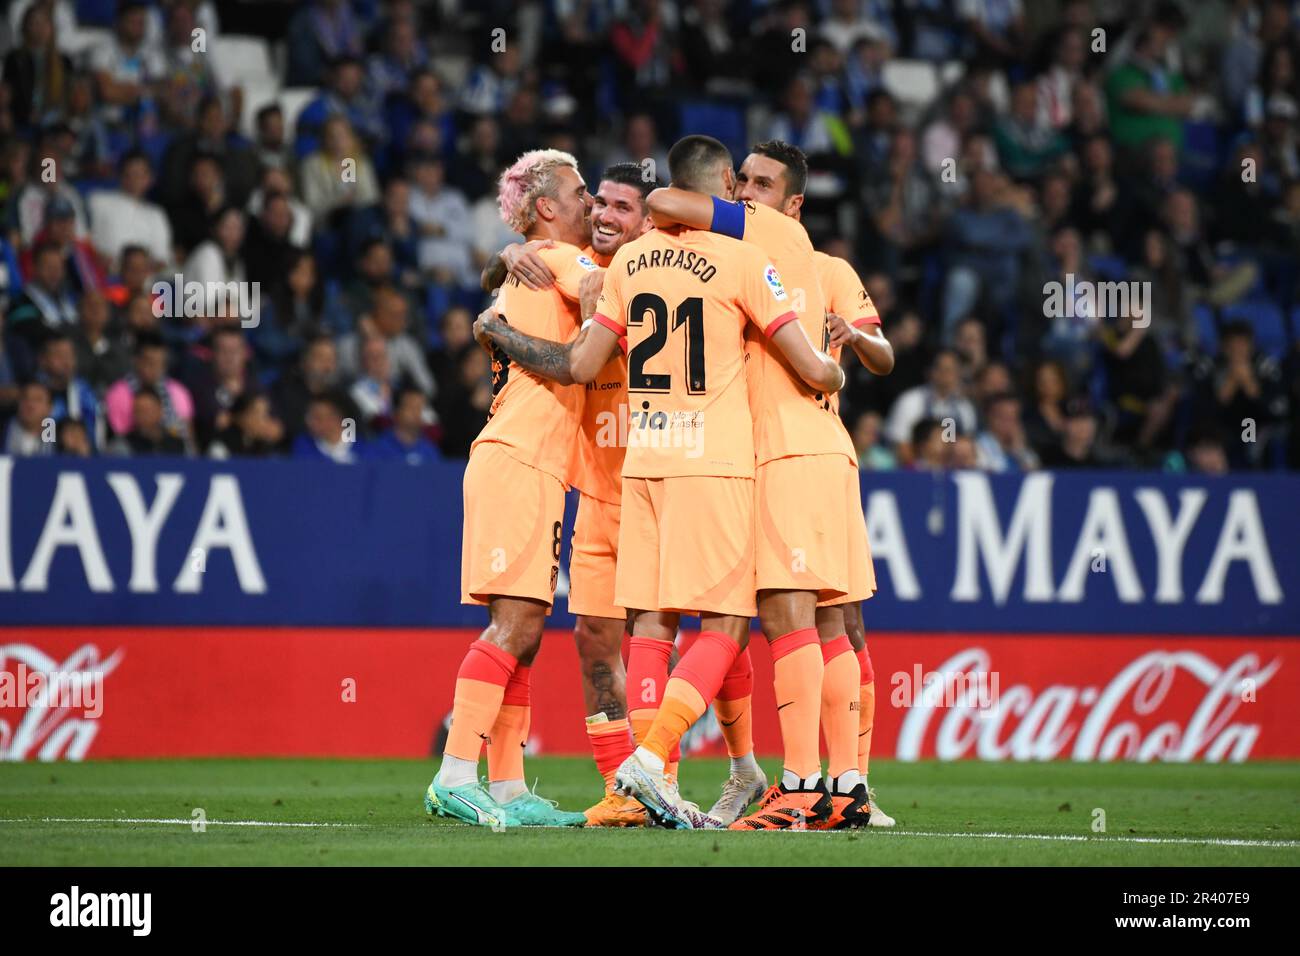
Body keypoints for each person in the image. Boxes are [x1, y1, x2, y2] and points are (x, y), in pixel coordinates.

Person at [539, 135, 841, 829]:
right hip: (713, 459)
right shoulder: (743, 256)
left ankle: (651, 785)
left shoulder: (628, 262)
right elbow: (806, 363)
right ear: (726, 186)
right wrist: (836, 369)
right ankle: (649, 761)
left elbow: (584, 365)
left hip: (643, 459)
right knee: (728, 621)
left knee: (651, 619)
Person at [473, 163, 658, 827]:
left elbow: (575, 358)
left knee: (674, 638)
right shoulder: (565, 261)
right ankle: (622, 791)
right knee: (592, 642)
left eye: (619, 207)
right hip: (598, 495)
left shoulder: (649, 277)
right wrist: (506, 257)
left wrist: (498, 325)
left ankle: (697, 771)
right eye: (596, 202)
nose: (604, 214)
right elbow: (531, 274)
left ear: (649, 220)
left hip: (661, 488)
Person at [424, 149, 596, 829]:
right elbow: (599, 295)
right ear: (547, 207)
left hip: (535, 465)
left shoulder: (524, 267)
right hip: (519, 460)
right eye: (579, 192)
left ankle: (506, 786)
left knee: (526, 631)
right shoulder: (556, 259)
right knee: (516, 623)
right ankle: (455, 773)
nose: (589, 202)